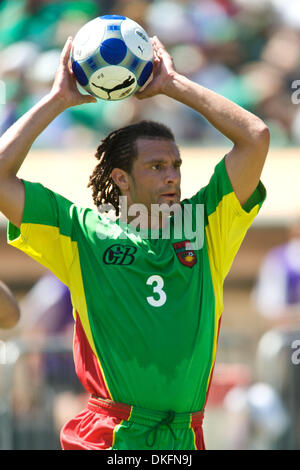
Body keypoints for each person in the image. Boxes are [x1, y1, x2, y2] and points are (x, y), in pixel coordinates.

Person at [0, 35, 270, 450]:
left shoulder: (207, 225)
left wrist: (173, 84)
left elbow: (255, 136)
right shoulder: (81, 232)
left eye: (176, 166)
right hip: (110, 436)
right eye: (157, 166)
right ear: (121, 179)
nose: (172, 176)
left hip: (184, 437)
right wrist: (57, 100)